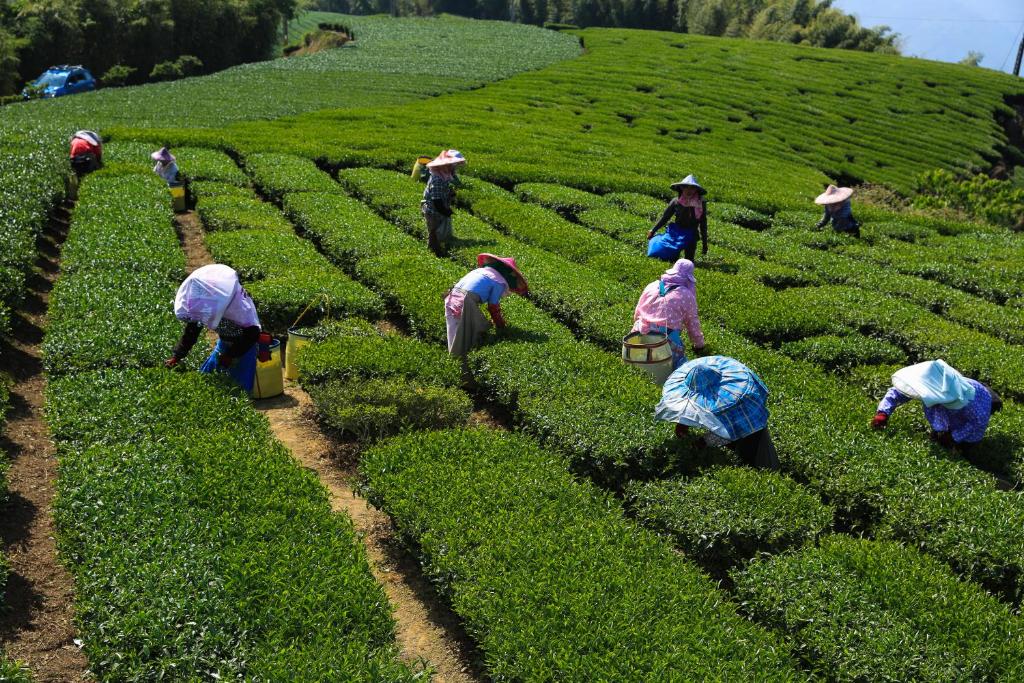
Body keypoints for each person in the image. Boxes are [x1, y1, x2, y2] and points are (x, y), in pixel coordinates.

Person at [655, 355, 780, 470]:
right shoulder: (727, 394)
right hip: (745, 429)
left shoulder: (733, 401)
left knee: (760, 465)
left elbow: (726, 432)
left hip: (753, 436)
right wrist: (683, 422)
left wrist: (701, 442)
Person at [165, 264, 271, 393]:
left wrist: (231, 355)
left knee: (238, 388)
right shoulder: (205, 303)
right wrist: (178, 356)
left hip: (244, 347)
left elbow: (252, 334)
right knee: (206, 381)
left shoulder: (238, 308)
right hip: (224, 343)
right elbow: (192, 331)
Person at [870, 359, 1002, 451]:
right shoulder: (929, 384)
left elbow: (976, 423)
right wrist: (883, 413)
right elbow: (897, 393)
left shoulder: (973, 401)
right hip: (951, 405)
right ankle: (941, 433)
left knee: (964, 445)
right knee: (940, 436)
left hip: (980, 402)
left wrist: (953, 437)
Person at [444, 253, 527, 357]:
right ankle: (466, 365)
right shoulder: (498, 281)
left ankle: (458, 365)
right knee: (480, 331)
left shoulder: (480, 271)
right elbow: (493, 307)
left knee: (456, 338)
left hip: (451, 300)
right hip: (464, 302)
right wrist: (501, 326)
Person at [632, 258, 705, 370]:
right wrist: (699, 344)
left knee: (639, 365)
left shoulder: (652, 285)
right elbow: (692, 323)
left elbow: (638, 311)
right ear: (689, 278)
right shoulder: (686, 295)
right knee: (680, 368)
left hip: (638, 333)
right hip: (665, 340)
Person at [647, 174, 708, 263]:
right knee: (671, 259)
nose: (689, 190)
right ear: (681, 188)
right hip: (677, 233)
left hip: (691, 234)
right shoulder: (676, 202)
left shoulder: (701, 204)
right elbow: (665, 217)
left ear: (696, 190)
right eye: (686, 187)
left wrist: (704, 244)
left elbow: (703, 223)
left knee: (689, 261)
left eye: (692, 188)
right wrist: (653, 230)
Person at [421, 149, 466, 255]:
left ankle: (439, 249)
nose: (453, 168)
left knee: (439, 232)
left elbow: (442, 193)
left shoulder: (443, 176)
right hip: (433, 211)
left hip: (438, 209)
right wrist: (445, 211)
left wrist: (450, 194)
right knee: (434, 232)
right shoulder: (437, 179)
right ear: (442, 166)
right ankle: (434, 252)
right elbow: (436, 199)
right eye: (450, 165)